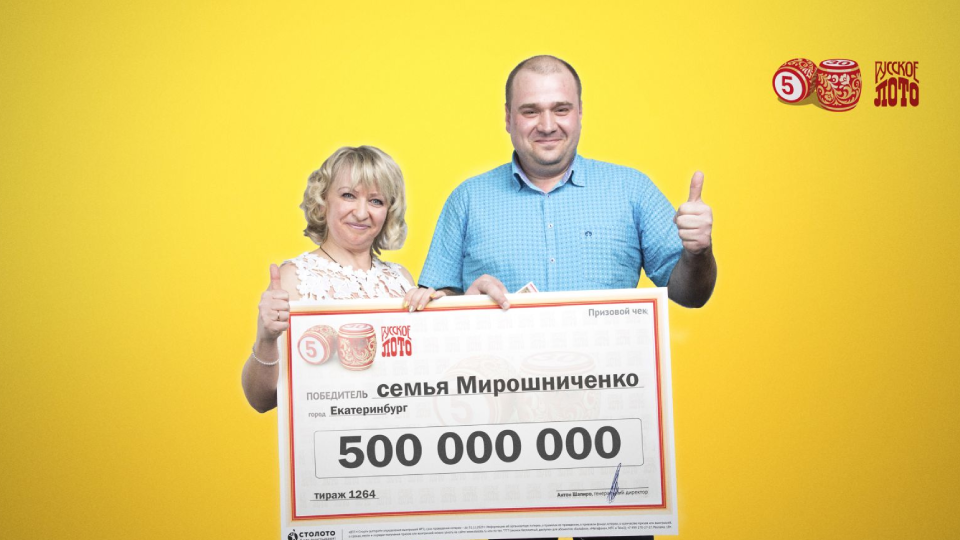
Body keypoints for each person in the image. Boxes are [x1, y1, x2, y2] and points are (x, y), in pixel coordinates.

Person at [405, 55, 718, 540]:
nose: (547, 124)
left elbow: (689, 294)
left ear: (580, 113)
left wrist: (698, 252)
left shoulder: (632, 190)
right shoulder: (467, 199)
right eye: (530, 110)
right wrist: (462, 300)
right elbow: (432, 309)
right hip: (500, 442)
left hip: (613, 436)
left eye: (561, 109)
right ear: (507, 118)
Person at [242, 145, 415, 413]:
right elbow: (261, 401)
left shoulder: (401, 279)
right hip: (328, 433)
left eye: (376, 201)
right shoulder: (294, 278)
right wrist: (266, 339)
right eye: (348, 195)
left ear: (388, 211)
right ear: (323, 202)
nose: (361, 212)